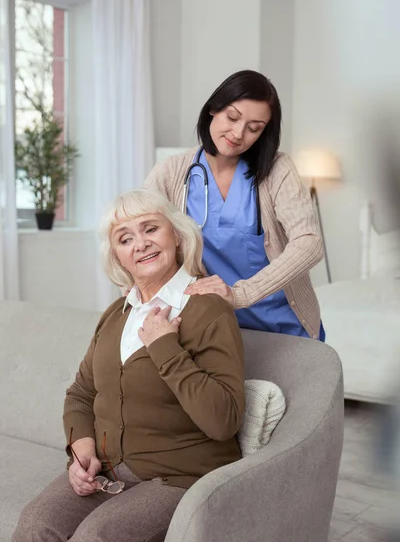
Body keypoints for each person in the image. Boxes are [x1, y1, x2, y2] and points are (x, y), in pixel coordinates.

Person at [12, 188, 245, 542]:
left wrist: (165, 345)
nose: (141, 244)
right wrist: (81, 452)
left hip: (180, 475)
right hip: (108, 469)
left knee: (96, 536)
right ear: (118, 257)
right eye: (125, 238)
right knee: (35, 524)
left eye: (151, 229)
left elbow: (223, 420)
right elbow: (80, 394)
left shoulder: (209, 308)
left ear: (177, 237)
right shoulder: (116, 315)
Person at [145, 69, 325, 341]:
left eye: (254, 128)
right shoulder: (171, 172)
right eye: (232, 117)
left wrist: (240, 294)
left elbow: (309, 242)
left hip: (281, 324)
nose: (238, 133)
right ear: (212, 110)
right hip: (211, 327)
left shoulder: (277, 170)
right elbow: (135, 229)